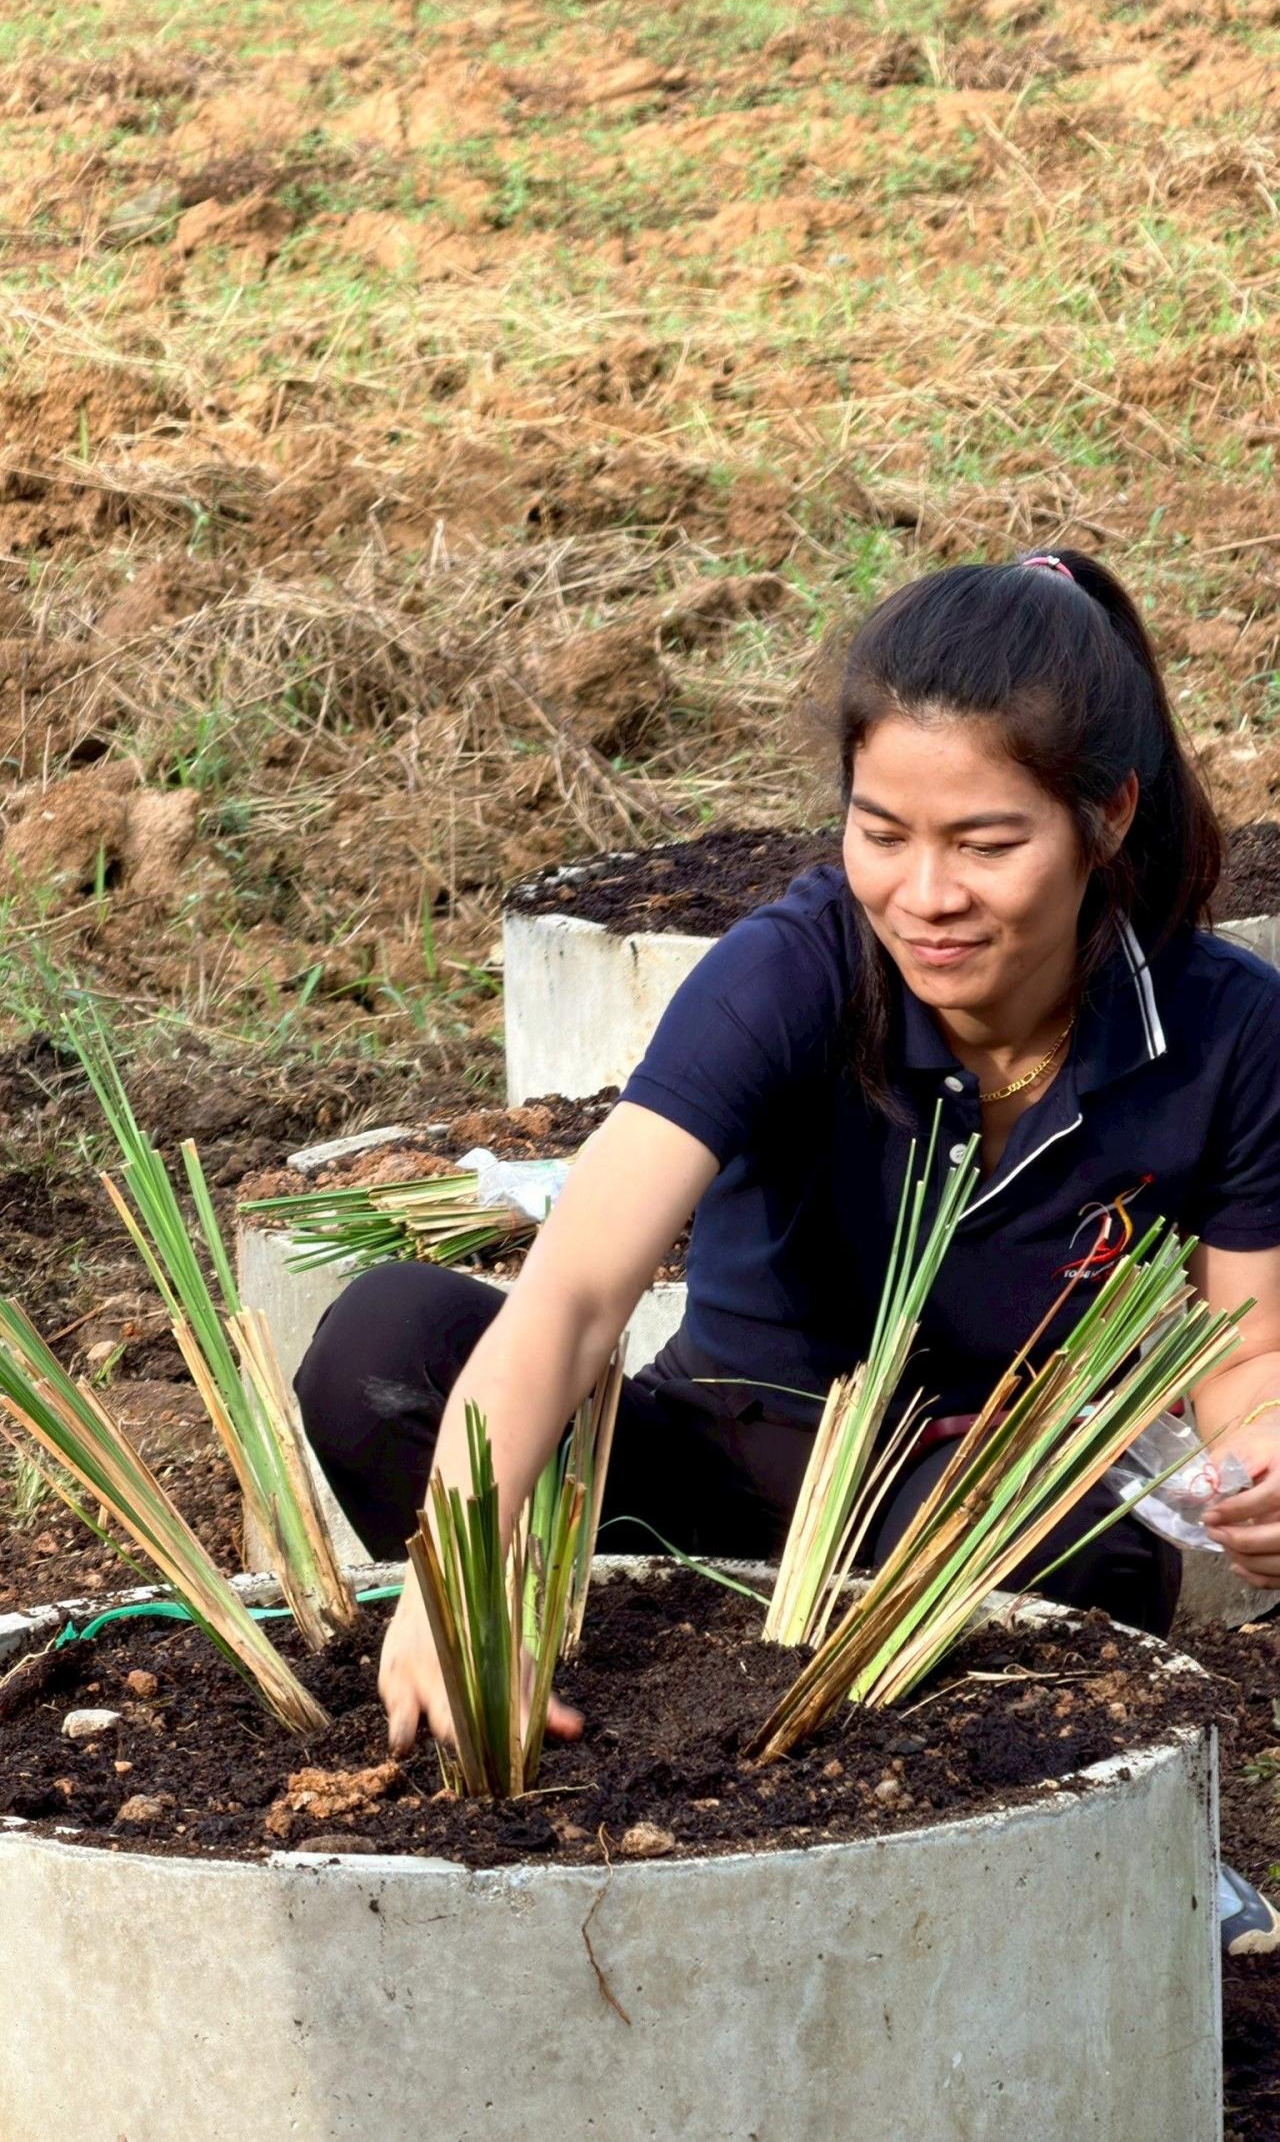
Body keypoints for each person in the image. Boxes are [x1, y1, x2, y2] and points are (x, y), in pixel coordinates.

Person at [296, 549, 1280, 1954]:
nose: (925, 895)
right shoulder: (795, 966)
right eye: (882, 833)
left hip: (955, 1502)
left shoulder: (1227, 1031)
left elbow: (1247, 1353)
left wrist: (1265, 1458)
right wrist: (463, 1568)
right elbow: (577, 1292)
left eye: (987, 845)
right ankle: (581, 1708)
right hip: (715, 1460)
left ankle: (1085, 1850)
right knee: (383, 1351)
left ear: (1105, 817)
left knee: (1073, 1555)